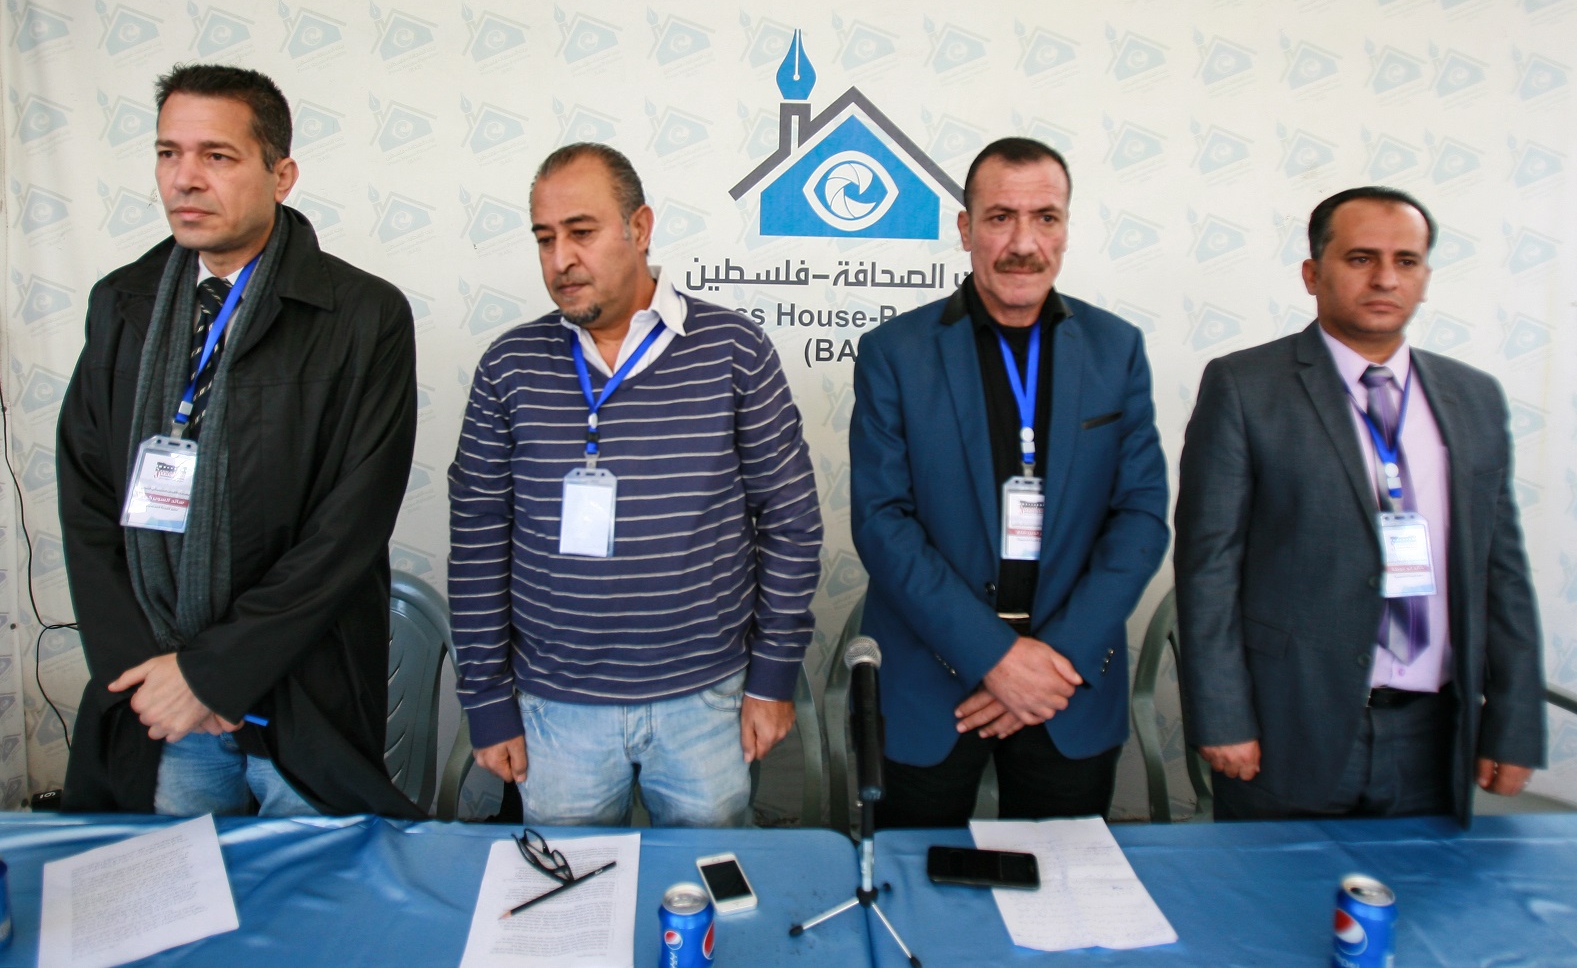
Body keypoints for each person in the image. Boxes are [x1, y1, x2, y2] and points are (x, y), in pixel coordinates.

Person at [56, 64, 421, 817]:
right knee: (170, 885)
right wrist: (153, 675)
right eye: (169, 153)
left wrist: (214, 675)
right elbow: (88, 497)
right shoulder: (121, 304)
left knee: (312, 887)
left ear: (281, 175)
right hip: (160, 701)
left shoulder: (362, 316)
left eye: (216, 156)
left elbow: (348, 529)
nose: (185, 178)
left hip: (302, 690)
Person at [448, 142, 822, 827]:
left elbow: (791, 520)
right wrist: (486, 699)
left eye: (581, 232)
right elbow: (477, 542)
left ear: (639, 227)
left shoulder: (733, 350)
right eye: (544, 238)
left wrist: (772, 676)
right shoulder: (509, 365)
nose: (560, 259)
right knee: (566, 888)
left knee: (704, 879)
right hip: (555, 708)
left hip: (706, 700)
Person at [1175, 186, 1546, 823]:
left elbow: (1502, 571)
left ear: (1425, 278)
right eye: (1360, 258)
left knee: (1419, 889)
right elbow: (1208, 568)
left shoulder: (1475, 397)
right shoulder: (1244, 387)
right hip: (1288, 728)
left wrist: (1514, 723)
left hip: (1433, 736)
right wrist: (1222, 715)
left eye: (1406, 261)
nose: (1385, 278)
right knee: (1278, 888)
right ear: (1312, 273)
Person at [848, 137, 1169, 827]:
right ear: (966, 229)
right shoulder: (893, 354)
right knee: (916, 882)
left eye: (1045, 218)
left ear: (1065, 228)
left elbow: (1141, 516)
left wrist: (1052, 661)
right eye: (1000, 218)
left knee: (1063, 885)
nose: (1024, 243)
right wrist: (993, 658)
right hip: (929, 683)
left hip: (1067, 685)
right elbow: (881, 521)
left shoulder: (1116, 349)